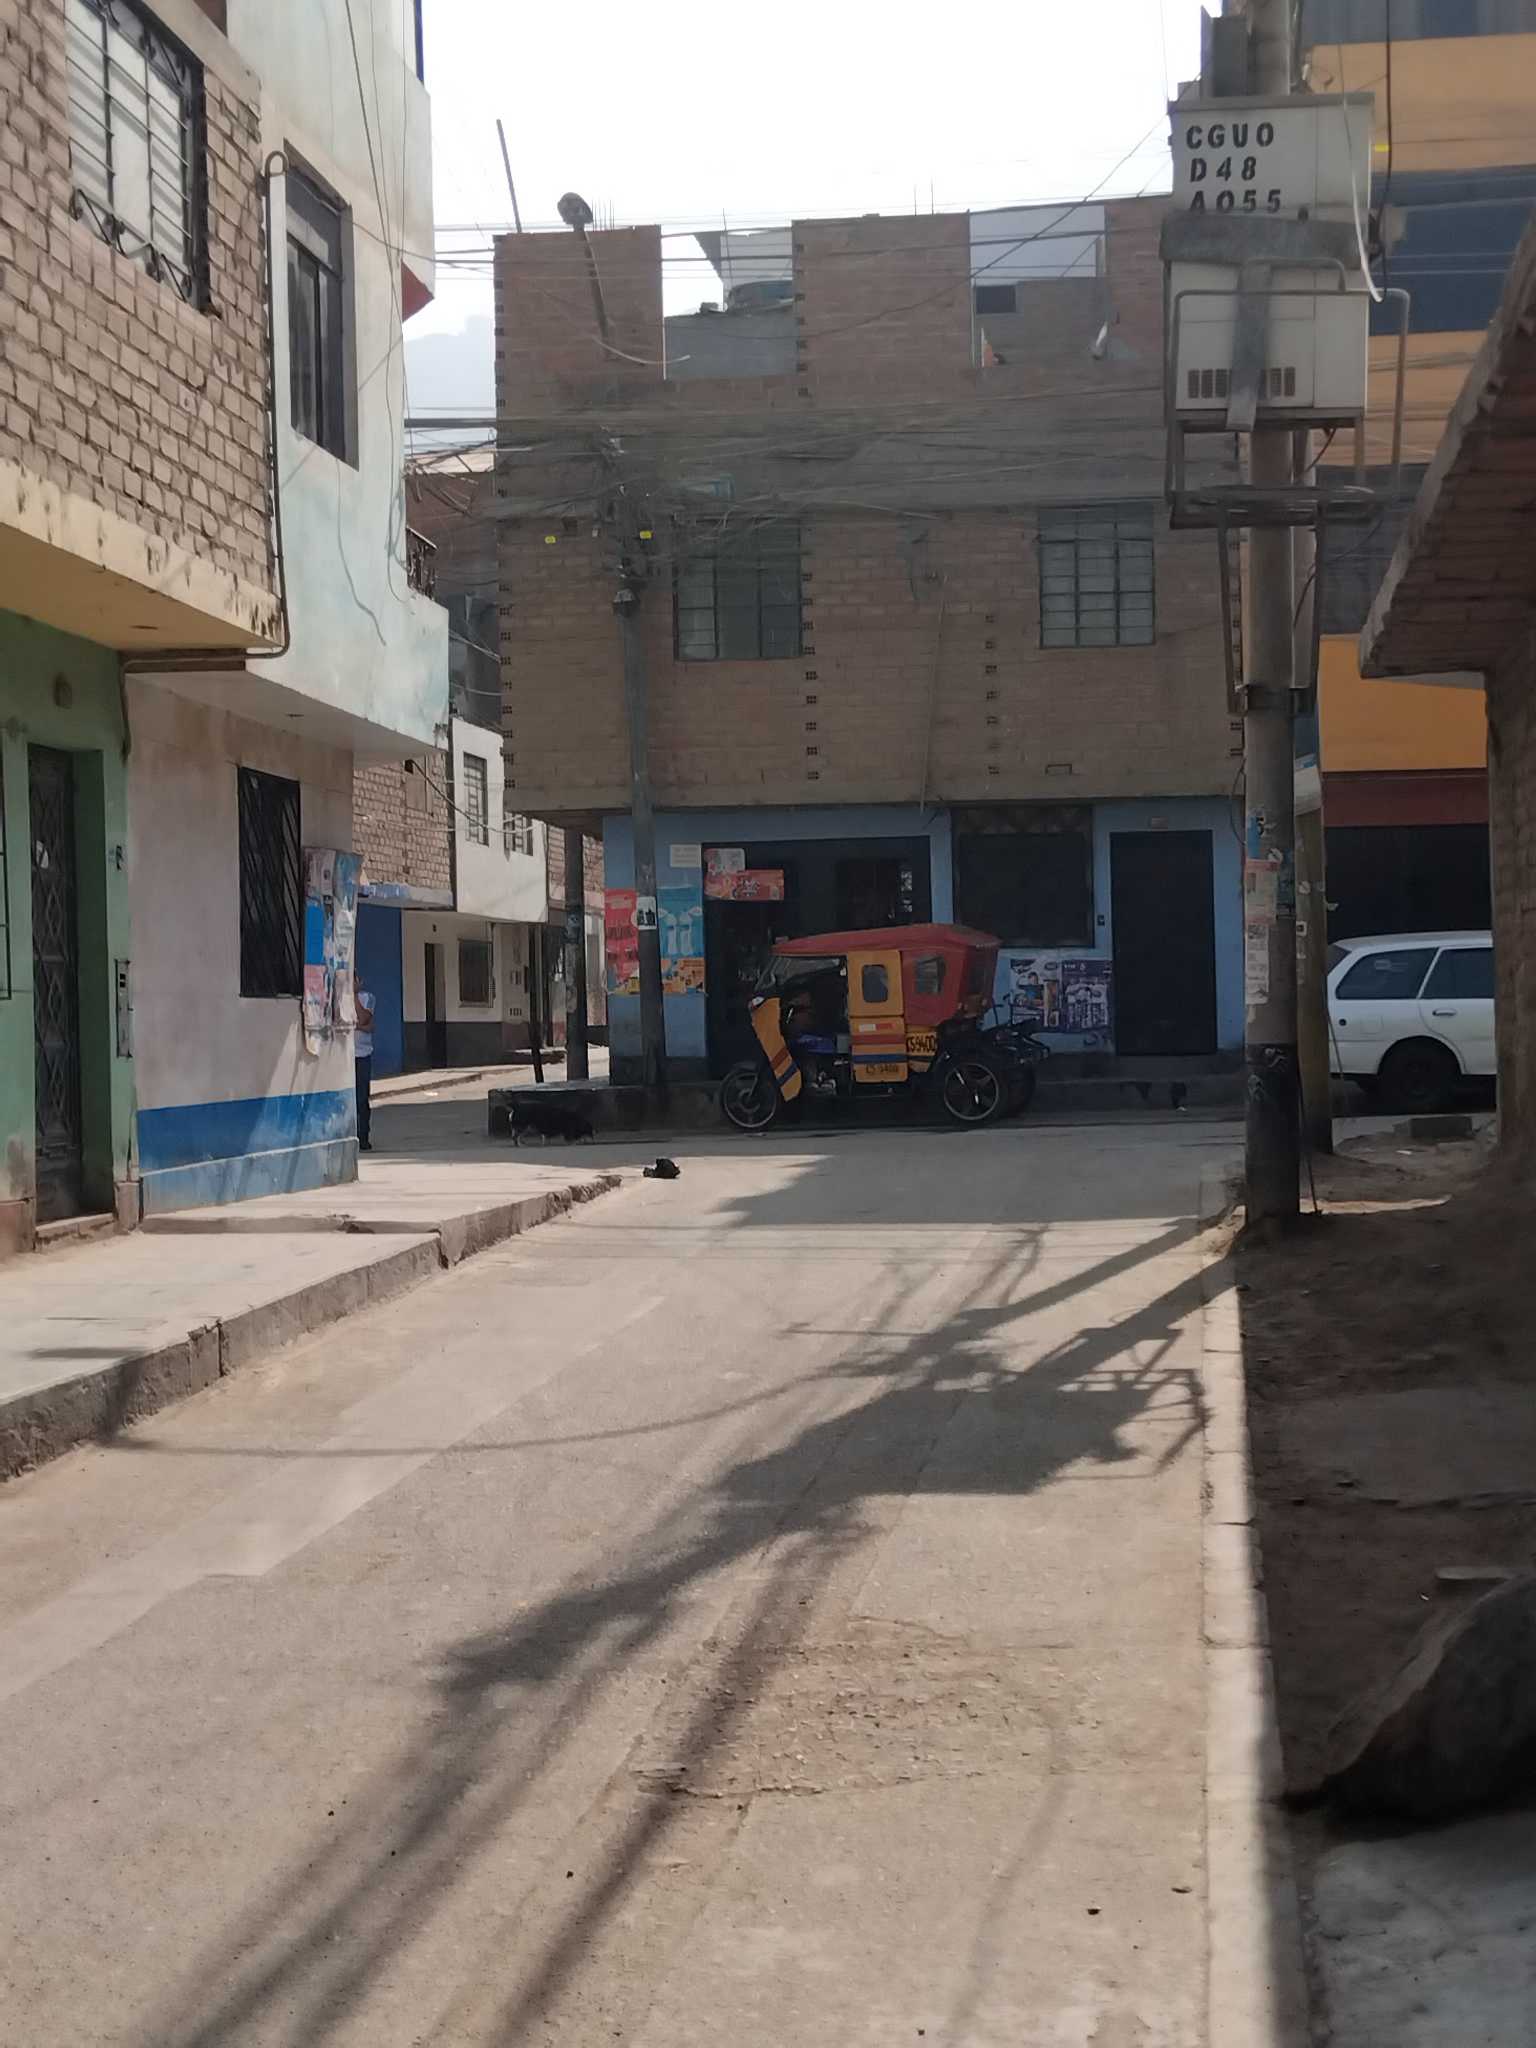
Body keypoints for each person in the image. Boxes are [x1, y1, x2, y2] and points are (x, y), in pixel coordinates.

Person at [355, 987, 375, 1153]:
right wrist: (361, 1026)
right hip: (343, 1055)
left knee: (362, 1099)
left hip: (362, 1055)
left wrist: (354, 995)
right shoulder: (338, 996)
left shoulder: (367, 997)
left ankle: (363, 1136)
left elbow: (363, 1019)